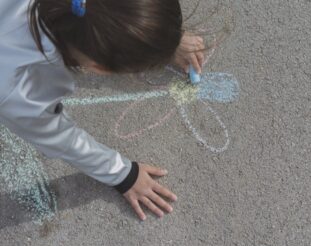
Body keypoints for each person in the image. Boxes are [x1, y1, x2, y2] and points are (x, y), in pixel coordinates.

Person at [0, 0, 205, 221]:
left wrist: (161, 36)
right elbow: (60, 138)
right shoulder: (19, 90)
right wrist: (124, 175)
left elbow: (114, 10)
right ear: (99, 68)